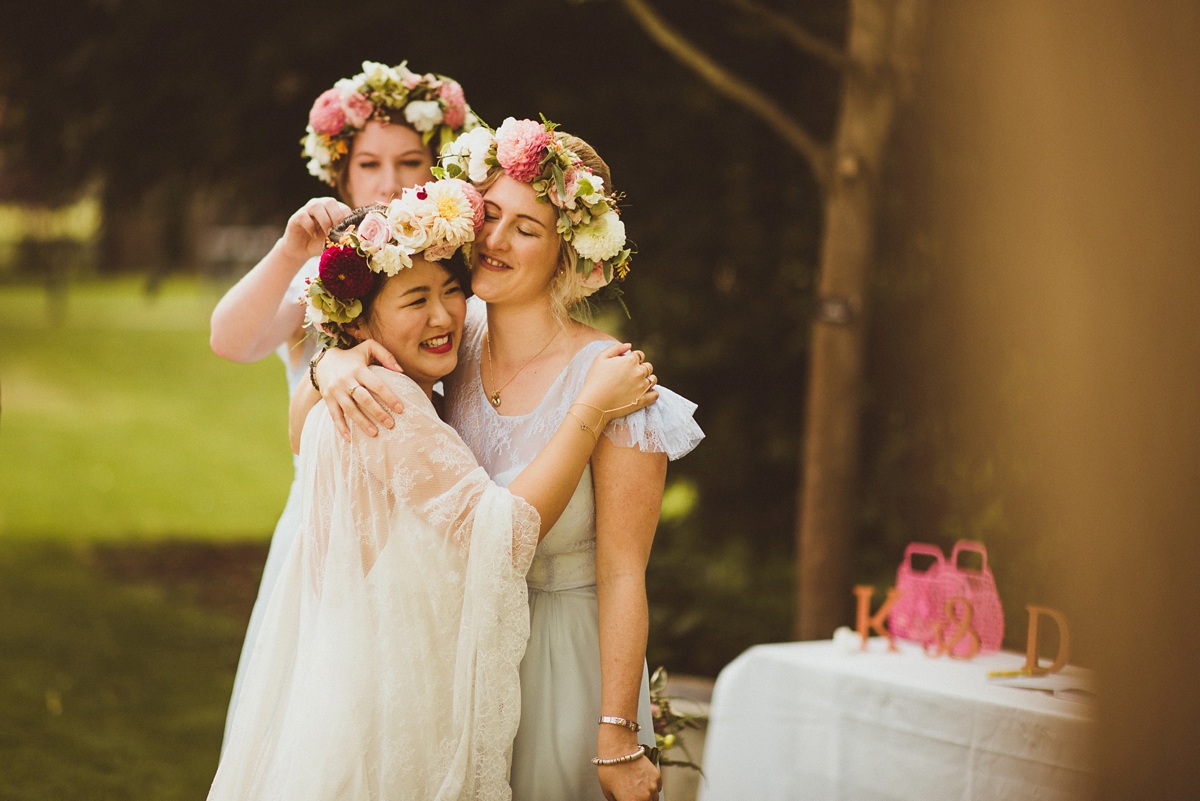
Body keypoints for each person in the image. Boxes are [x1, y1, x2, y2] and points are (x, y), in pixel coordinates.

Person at [209, 185, 659, 800]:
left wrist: (334, 361)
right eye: (416, 299)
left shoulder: (422, 367)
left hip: (487, 671)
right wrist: (589, 408)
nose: (443, 315)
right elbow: (499, 532)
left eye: (451, 290)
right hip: (397, 691)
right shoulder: (386, 401)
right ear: (361, 319)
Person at [309, 118, 703, 801]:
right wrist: (332, 363)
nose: (492, 239)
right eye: (490, 214)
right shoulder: (449, 340)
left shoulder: (616, 381)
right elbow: (327, 410)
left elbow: (622, 572)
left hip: (562, 661)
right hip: (456, 654)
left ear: (567, 253)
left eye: (527, 228)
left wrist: (615, 730)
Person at [206, 61, 483, 749]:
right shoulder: (326, 274)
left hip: (432, 511)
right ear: (341, 175)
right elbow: (230, 340)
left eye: (409, 162)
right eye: (370, 164)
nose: (390, 183)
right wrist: (321, 348)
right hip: (331, 522)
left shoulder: (457, 277)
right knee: (332, 715)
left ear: (438, 168)